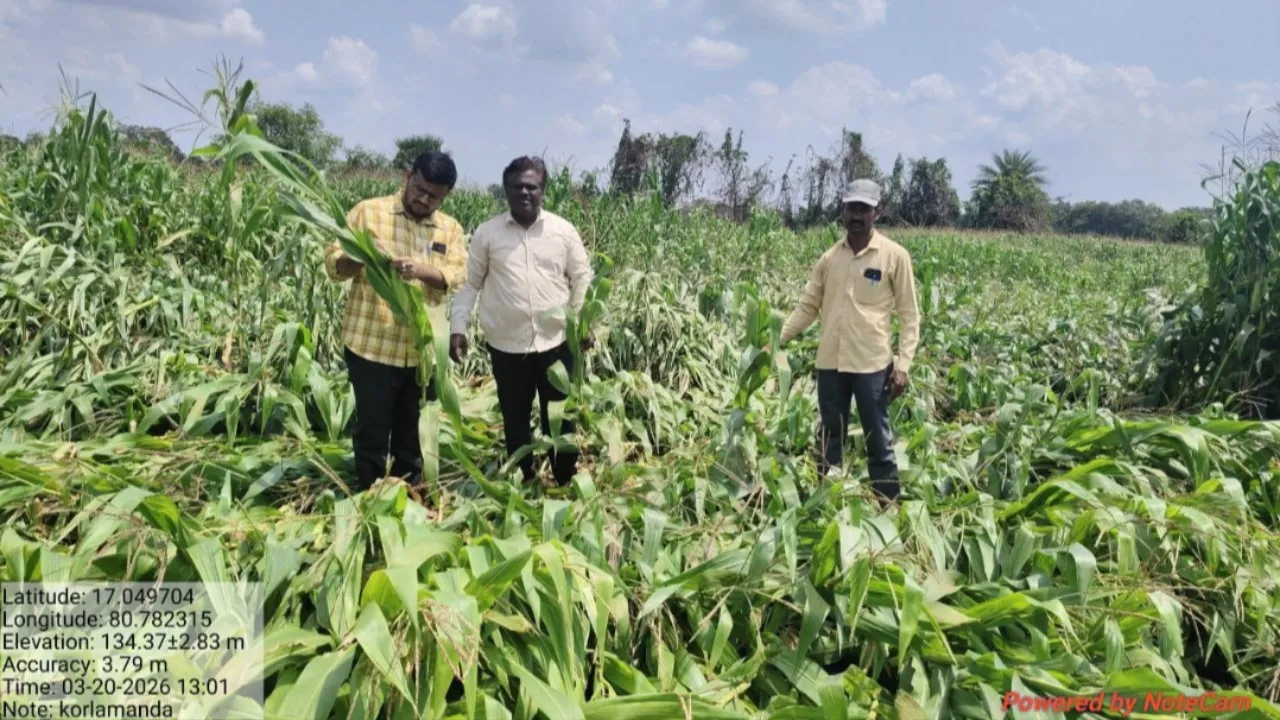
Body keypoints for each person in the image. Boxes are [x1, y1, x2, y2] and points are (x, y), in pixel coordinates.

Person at [323, 150, 468, 493]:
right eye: (420, 189)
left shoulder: (449, 229)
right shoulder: (368, 212)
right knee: (372, 428)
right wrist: (362, 257)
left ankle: (408, 492)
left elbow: (458, 274)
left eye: (435, 196)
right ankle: (369, 492)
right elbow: (333, 264)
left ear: (447, 195)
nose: (424, 200)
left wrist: (420, 270)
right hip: (371, 344)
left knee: (412, 431)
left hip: (421, 351)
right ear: (407, 176)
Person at [449, 156, 594, 487]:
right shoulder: (487, 233)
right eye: (518, 187)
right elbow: (470, 284)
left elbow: (582, 277)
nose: (525, 193)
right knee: (514, 418)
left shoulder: (562, 231)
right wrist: (459, 327)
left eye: (532, 187)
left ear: (543, 190)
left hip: (556, 342)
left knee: (561, 417)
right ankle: (524, 479)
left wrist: (581, 322)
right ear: (506, 190)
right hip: (507, 346)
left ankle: (564, 478)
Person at [773, 179, 920, 503]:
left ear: (877, 212)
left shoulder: (895, 257)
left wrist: (903, 365)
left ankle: (887, 506)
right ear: (842, 211)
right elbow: (808, 307)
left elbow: (910, 316)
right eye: (852, 208)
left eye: (864, 209)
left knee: (877, 441)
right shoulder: (829, 259)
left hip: (872, 366)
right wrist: (775, 340)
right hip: (831, 364)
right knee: (829, 438)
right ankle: (825, 503)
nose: (856, 215)